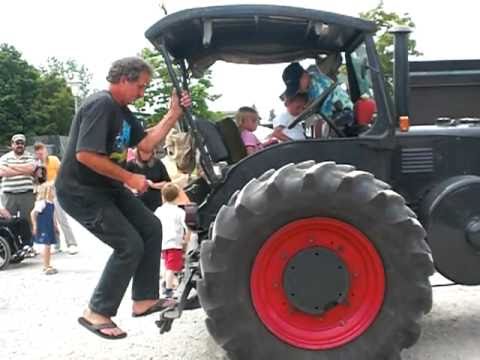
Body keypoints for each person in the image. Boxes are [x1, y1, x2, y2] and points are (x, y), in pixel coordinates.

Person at [55, 56, 191, 339]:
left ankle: (143, 300)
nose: (142, 93)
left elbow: (146, 143)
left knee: (151, 228)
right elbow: (85, 155)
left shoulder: (124, 112)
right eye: (140, 87)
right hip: (81, 191)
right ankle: (96, 312)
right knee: (129, 245)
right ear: (124, 79)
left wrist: (173, 113)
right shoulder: (100, 105)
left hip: (107, 189)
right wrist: (129, 177)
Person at [34, 142, 78, 255]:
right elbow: (40, 181)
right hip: (45, 193)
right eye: (38, 153)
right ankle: (57, 244)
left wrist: (54, 183)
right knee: (50, 220)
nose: (40, 154)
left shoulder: (54, 159)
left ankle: (71, 243)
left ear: (45, 151)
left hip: (56, 190)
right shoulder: (37, 165)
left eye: (42, 151)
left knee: (61, 218)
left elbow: (61, 173)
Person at [0, 134, 36, 256]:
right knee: (9, 221)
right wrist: (22, 169)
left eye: (22, 143)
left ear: (24, 145)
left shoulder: (30, 156)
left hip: (27, 194)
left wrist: (12, 167)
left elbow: (31, 169)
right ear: (12, 144)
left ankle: (29, 247)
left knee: (28, 221)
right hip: (9, 195)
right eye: (17, 143)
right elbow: (2, 171)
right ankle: (14, 248)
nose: (19, 145)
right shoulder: (4, 157)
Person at [154, 183, 190, 299]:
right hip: (174, 243)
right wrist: (187, 238)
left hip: (162, 242)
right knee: (172, 268)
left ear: (163, 197)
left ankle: (166, 283)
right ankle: (168, 289)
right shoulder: (179, 212)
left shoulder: (159, 211)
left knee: (166, 266)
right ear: (178, 197)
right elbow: (188, 226)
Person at [281, 62, 353, 119]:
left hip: (345, 113)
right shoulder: (310, 82)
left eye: (297, 85)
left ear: (304, 75)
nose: (298, 89)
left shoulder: (320, 85)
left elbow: (323, 116)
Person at [30, 166, 58, 275]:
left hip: (49, 224)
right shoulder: (42, 202)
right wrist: (35, 225)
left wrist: (55, 224)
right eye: (51, 190)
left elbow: (53, 214)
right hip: (44, 225)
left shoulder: (51, 203)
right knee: (47, 245)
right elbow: (33, 213)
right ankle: (46, 266)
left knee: (48, 245)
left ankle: (48, 264)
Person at [126, 147, 171, 212]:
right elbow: (123, 182)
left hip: (156, 203)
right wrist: (132, 189)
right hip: (137, 202)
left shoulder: (158, 163)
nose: (146, 154)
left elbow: (167, 183)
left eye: (148, 152)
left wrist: (153, 185)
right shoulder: (130, 165)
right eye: (143, 152)